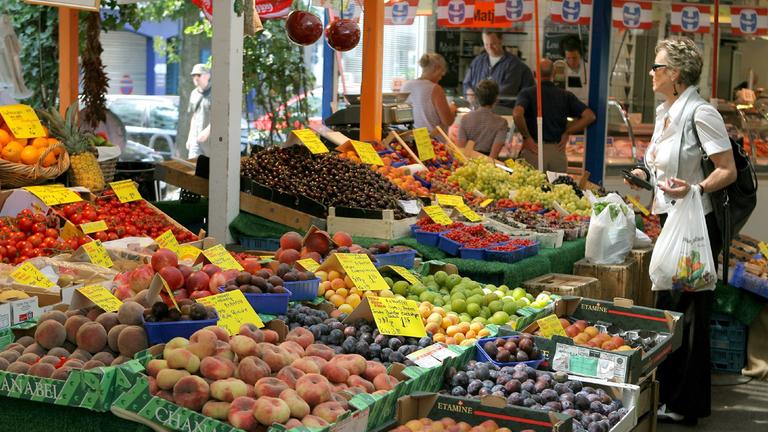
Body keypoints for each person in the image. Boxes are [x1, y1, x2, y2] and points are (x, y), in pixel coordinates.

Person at [626, 38, 737, 425]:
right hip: (669, 217)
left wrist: (695, 189)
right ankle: (668, 394)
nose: (652, 73)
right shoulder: (666, 111)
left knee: (687, 312)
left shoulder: (700, 113)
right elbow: (660, 165)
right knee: (670, 309)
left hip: (696, 224)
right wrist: (645, 176)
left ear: (674, 74)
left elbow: (727, 169)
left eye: (657, 67)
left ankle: (685, 403)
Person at [513, 59, 596, 172]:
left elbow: (517, 114)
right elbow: (590, 116)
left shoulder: (527, 93)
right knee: (558, 188)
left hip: (534, 151)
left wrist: (527, 137)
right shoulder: (566, 95)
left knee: (532, 188)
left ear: (534, 74)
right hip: (557, 152)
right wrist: (567, 131)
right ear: (555, 73)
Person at [462, 31, 534, 108]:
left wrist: (484, 101)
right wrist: (469, 92)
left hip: (502, 112)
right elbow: (466, 83)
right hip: (476, 111)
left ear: (501, 40)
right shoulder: (478, 61)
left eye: (493, 44)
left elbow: (507, 93)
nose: (489, 47)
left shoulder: (514, 65)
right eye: (486, 44)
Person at [401, 53, 456, 133]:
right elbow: (448, 121)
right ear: (437, 68)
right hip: (432, 141)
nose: (440, 78)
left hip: (411, 138)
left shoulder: (406, 85)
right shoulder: (435, 89)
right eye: (441, 75)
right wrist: (452, 109)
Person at [456, 80, 508, 160]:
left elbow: (460, 150)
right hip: (488, 166)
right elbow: (493, 156)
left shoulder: (465, 119)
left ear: (476, 97)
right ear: (496, 98)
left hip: (468, 162)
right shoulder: (501, 123)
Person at [186, 63, 212, 158]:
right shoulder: (194, 94)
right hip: (196, 141)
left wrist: (207, 131)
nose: (195, 78)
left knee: (210, 171)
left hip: (212, 142)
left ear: (207, 76)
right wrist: (190, 137)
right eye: (193, 75)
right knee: (193, 169)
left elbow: (220, 117)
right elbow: (194, 117)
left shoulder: (216, 92)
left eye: (198, 75)